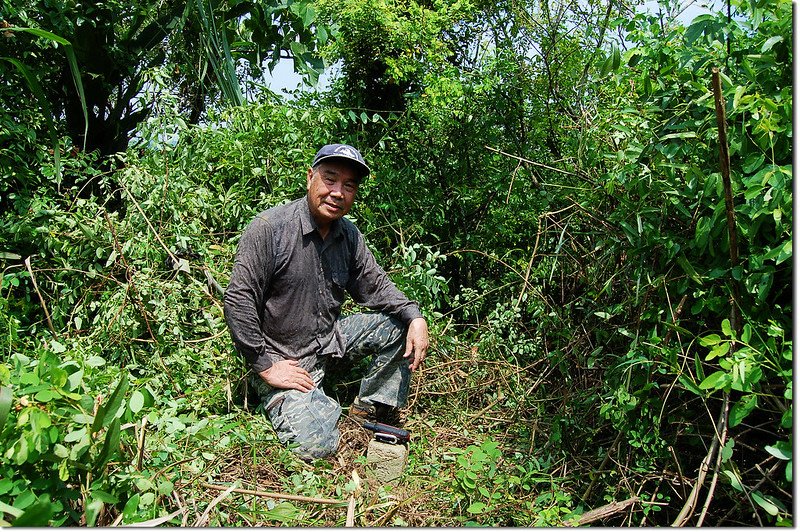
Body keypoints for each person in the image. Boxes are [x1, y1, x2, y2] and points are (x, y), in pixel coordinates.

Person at [224, 143, 429, 460]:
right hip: (284, 361)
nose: (338, 192)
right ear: (310, 178)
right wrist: (265, 366)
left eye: (349, 186)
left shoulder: (348, 236)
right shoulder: (269, 229)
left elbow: (375, 284)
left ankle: (369, 410)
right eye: (330, 179)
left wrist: (415, 317)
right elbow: (239, 300)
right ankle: (298, 403)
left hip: (327, 344)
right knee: (318, 446)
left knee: (398, 325)